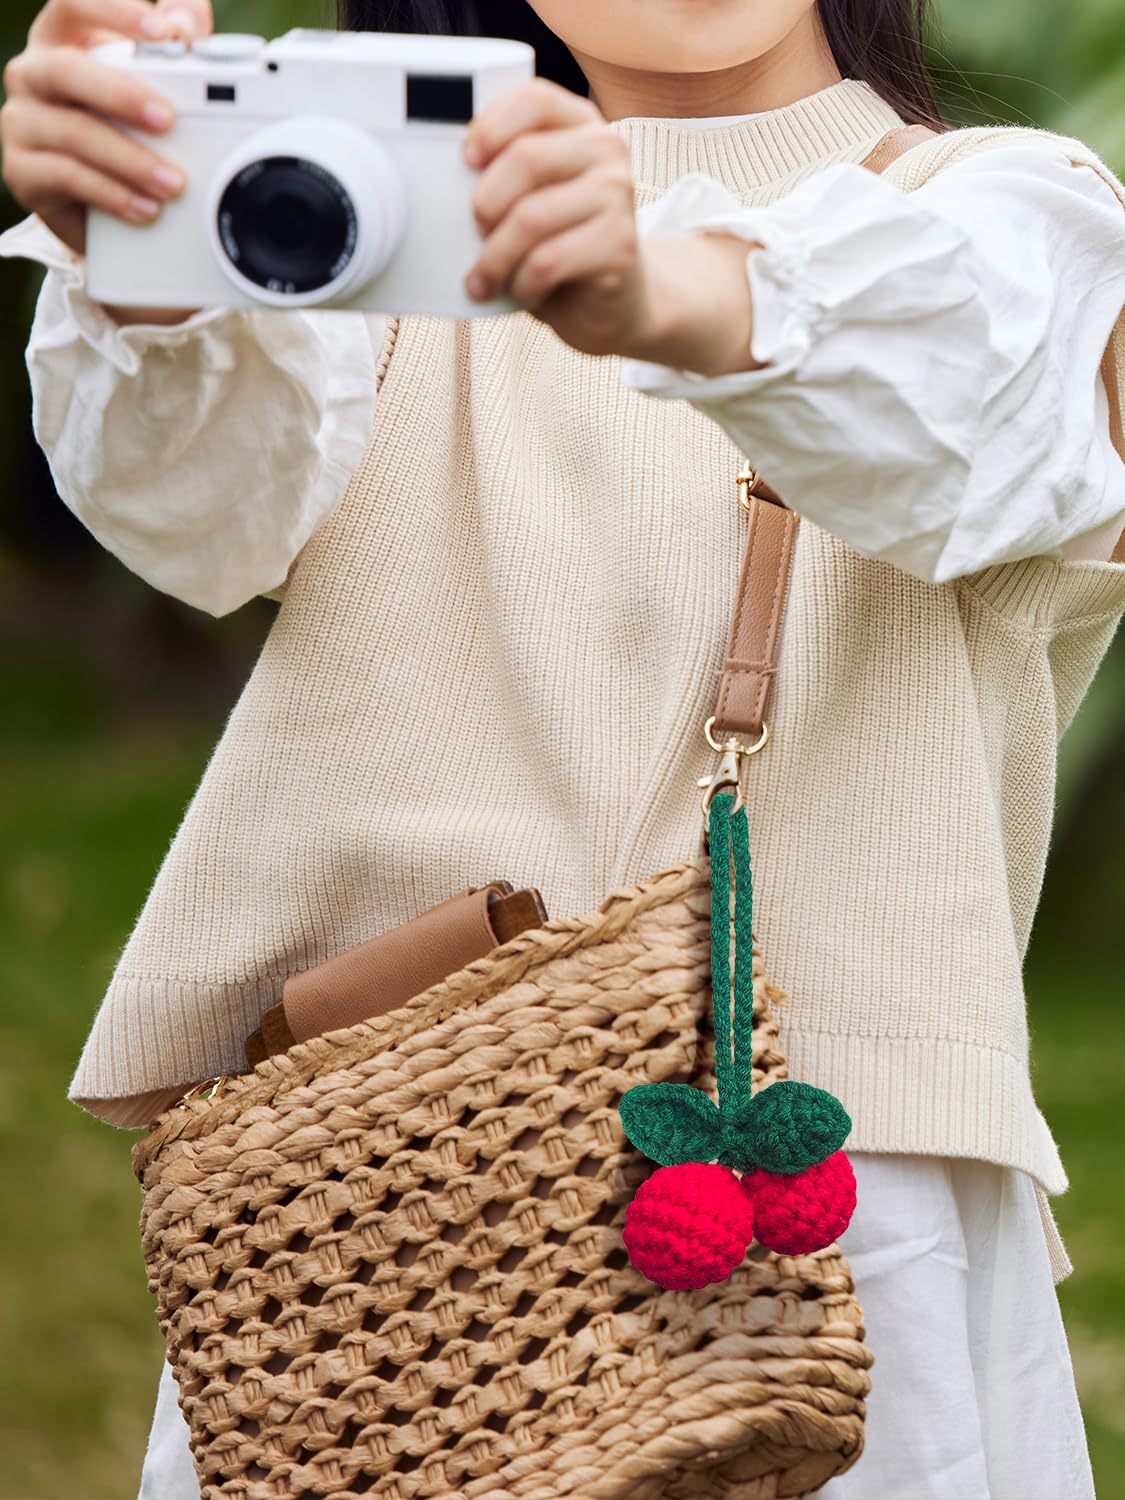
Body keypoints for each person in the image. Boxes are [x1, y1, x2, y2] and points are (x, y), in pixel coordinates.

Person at [3, 0, 1125, 1495]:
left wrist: (651, 289)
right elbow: (192, 497)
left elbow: (944, 393)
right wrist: (141, 252)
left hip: (813, 1212)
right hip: (385, 1220)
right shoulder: (359, 232)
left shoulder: (1019, 217)